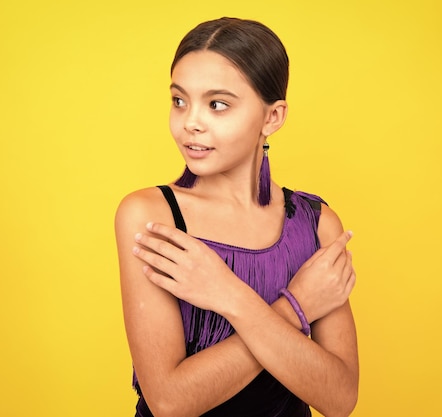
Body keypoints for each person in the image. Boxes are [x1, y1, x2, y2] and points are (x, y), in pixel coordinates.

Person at [115, 17, 358, 417]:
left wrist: (227, 296)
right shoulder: (151, 218)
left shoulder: (316, 225)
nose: (190, 122)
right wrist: (295, 306)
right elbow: (170, 402)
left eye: (217, 104)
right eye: (179, 100)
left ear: (272, 117)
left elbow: (340, 398)